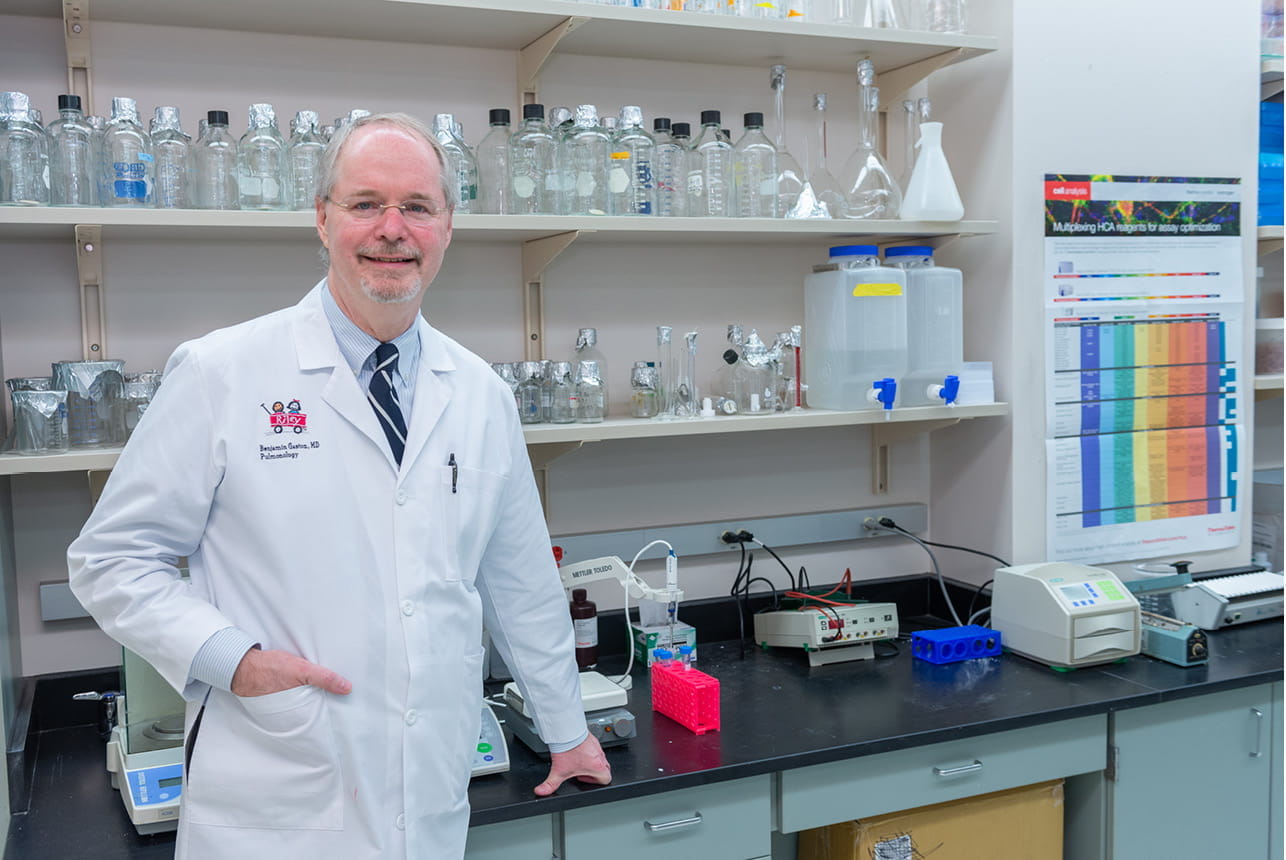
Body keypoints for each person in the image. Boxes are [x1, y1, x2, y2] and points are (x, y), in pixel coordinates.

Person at [67, 112, 610, 859]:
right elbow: (111, 559)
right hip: (276, 790)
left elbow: (519, 582)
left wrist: (566, 730)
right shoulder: (222, 373)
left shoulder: (482, 394)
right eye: (366, 204)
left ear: (447, 227)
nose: (393, 229)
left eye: (416, 207)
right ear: (322, 219)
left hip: (428, 793)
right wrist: (232, 660)